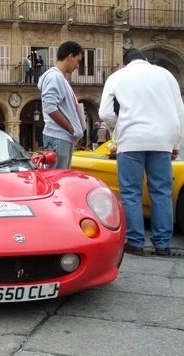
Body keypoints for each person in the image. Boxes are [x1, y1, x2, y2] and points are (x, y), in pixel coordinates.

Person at [99, 48, 184, 257]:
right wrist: (175, 143)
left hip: (131, 140)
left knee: (130, 192)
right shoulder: (167, 76)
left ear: (124, 63)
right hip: (162, 141)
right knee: (161, 192)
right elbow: (179, 111)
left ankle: (135, 242)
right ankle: (162, 244)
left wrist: (118, 130)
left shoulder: (118, 76)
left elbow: (104, 113)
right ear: (146, 60)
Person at [37, 41, 84, 169]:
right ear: (70, 56)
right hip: (59, 137)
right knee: (57, 180)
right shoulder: (55, 77)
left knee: (61, 179)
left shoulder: (59, 78)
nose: (77, 66)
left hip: (61, 138)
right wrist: (71, 128)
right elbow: (50, 107)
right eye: (78, 61)